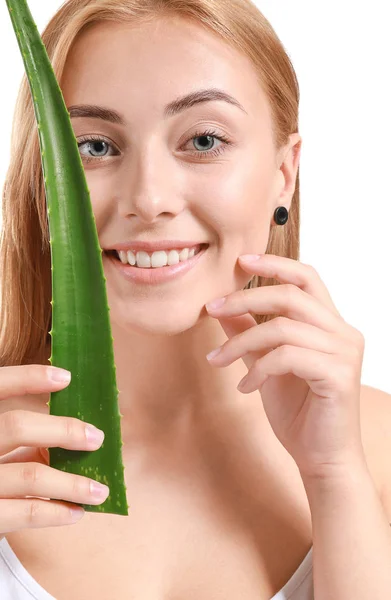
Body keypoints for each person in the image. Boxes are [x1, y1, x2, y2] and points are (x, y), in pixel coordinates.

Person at [1, 1, 391, 598]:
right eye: (94, 147)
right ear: (41, 179)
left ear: (284, 173)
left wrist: (334, 477)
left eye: (204, 139)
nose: (149, 197)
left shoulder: (373, 445)